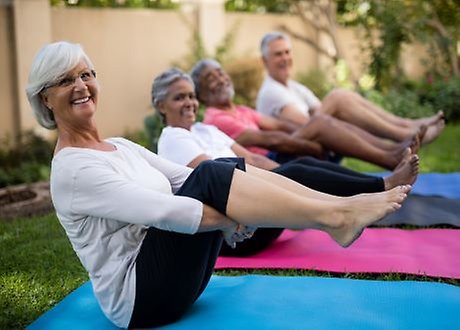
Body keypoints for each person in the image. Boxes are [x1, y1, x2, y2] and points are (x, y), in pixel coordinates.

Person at [26, 41, 410, 328]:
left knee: (219, 166)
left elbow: (183, 179)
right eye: (65, 80)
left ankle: (339, 211)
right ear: (46, 98)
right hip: (141, 299)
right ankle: (336, 216)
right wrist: (230, 219)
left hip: (177, 279)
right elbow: (163, 211)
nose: (80, 85)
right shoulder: (73, 170)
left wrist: (233, 208)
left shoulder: (121, 146)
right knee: (211, 174)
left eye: (86, 74)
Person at [153, 68, 419, 256]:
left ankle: (373, 189)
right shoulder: (172, 138)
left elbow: (253, 158)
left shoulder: (204, 130)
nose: (189, 102)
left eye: (190, 95)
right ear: (161, 106)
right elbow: (215, 182)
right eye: (179, 97)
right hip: (236, 230)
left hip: (255, 208)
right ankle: (378, 187)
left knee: (296, 168)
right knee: (294, 170)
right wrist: (283, 181)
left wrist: (281, 182)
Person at [191, 59, 422, 170]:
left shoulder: (239, 109)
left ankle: (390, 150)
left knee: (321, 123)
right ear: (200, 94)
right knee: (321, 123)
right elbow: (269, 139)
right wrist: (313, 144)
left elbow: (278, 126)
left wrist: (314, 135)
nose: (219, 79)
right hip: (268, 164)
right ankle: (389, 157)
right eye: (210, 79)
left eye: (220, 73)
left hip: (279, 150)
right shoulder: (215, 118)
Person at [256, 31, 445, 144]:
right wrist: (336, 106)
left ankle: (410, 125)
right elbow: (306, 124)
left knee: (341, 97)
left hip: (320, 132)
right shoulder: (270, 91)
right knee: (337, 97)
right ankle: (406, 135)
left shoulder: (294, 86)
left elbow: (319, 110)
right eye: (278, 54)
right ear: (265, 60)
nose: (285, 58)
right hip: (300, 143)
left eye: (287, 52)